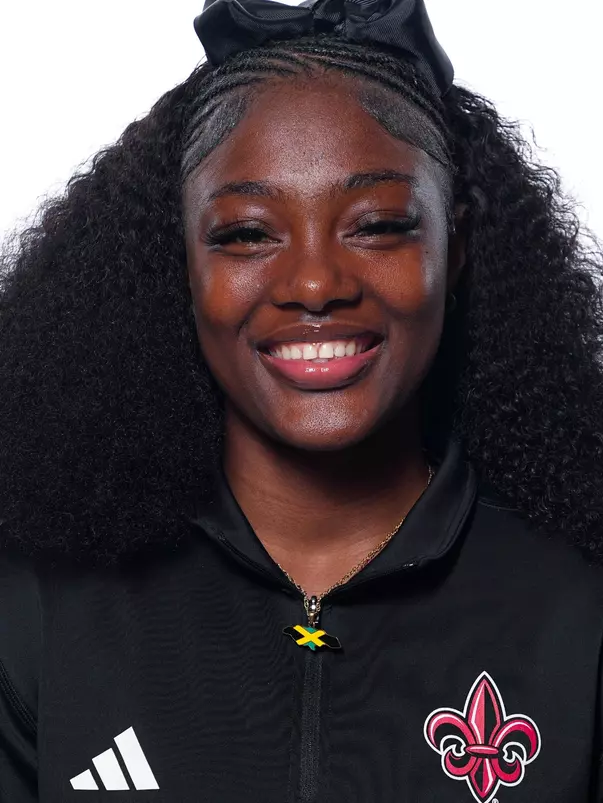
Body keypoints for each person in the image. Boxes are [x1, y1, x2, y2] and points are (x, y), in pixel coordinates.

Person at [1, 0, 603, 800]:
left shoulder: (580, 605)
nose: (315, 283)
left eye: (378, 225)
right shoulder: (35, 604)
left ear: (452, 247)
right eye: (246, 234)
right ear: (179, 264)